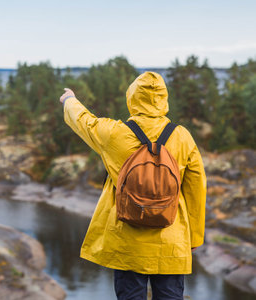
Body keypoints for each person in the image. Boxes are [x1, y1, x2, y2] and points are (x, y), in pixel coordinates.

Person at [59, 71, 206, 300]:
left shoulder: (115, 133)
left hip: (127, 240)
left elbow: (83, 122)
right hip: (171, 239)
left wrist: (70, 100)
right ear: (164, 98)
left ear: (133, 97)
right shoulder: (182, 137)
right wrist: (195, 237)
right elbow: (197, 189)